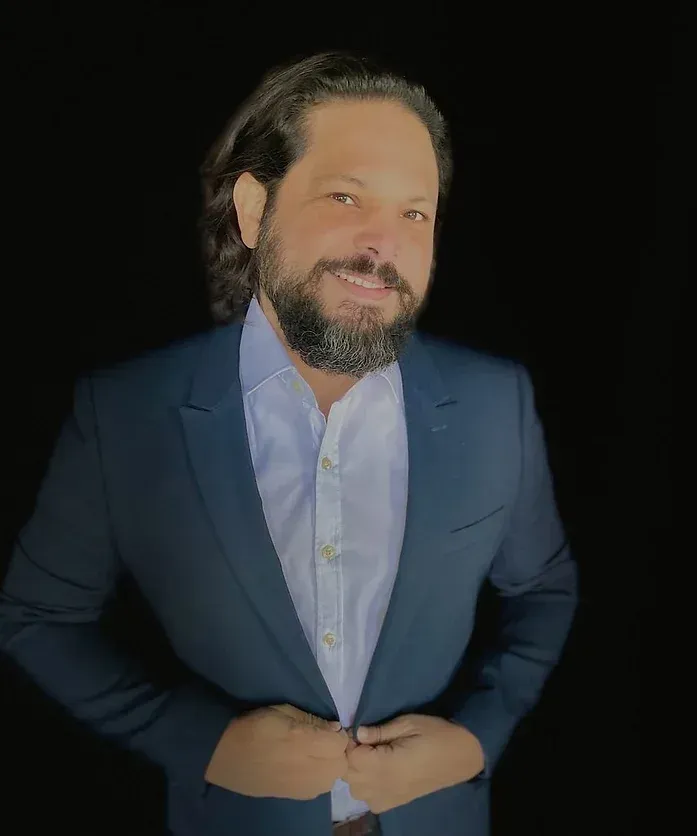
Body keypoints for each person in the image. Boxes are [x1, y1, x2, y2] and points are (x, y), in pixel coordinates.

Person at [0, 51, 578, 836]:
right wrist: (197, 741)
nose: (385, 244)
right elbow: (35, 616)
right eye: (346, 196)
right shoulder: (124, 415)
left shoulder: (494, 402)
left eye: (416, 212)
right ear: (252, 209)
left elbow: (543, 592)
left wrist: (478, 738)